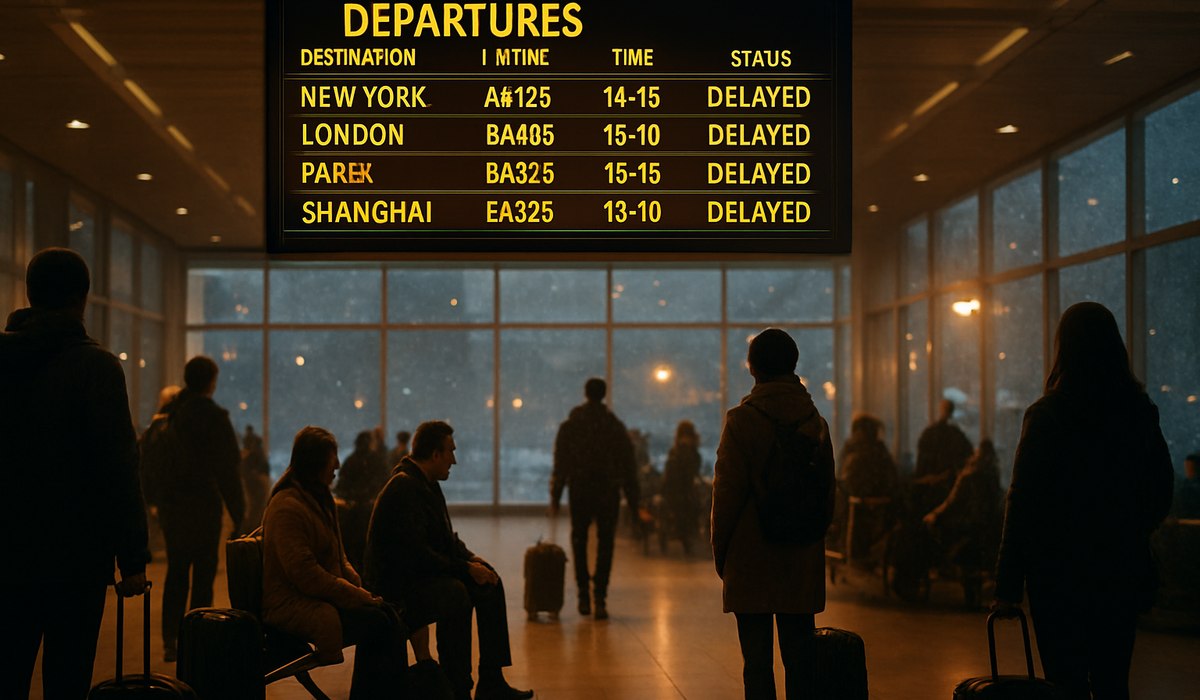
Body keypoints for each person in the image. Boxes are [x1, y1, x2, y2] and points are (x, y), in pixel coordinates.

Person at [994, 302, 1174, 699]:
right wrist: (1130, 530)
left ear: (1064, 349)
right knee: (1113, 682)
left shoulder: (1048, 415)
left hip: (1057, 576)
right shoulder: (1138, 412)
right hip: (1119, 571)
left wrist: (1008, 584)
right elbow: (1161, 488)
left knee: (1065, 684)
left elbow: (1022, 502)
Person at [2, 248, 150, 700]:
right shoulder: (96, 368)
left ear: (29, 294)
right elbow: (117, 467)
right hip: (76, 559)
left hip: (6, 553)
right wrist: (132, 559)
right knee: (67, 680)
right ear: (82, 298)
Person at [365, 420, 533, 700]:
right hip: (396, 589)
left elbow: (444, 540)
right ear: (435, 454)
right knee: (455, 594)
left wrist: (471, 559)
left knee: (489, 581)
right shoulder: (405, 488)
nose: (454, 460)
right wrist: (464, 568)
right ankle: (458, 685)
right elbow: (417, 554)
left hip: (416, 576)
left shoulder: (424, 483)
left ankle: (491, 681)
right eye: (451, 451)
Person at [711, 328, 835, 700]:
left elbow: (726, 494)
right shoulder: (816, 422)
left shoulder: (741, 421)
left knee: (757, 665)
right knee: (800, 662)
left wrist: (722, 553)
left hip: (751, 556)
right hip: (801, 555)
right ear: (793, 364)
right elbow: (828, 492)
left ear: (753, 367)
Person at [263, 426, 429, 699]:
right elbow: (306, 575)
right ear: (317, 462)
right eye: (333, 458)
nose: (338, 465)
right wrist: (356, 594)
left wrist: (358, 591)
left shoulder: (315, 499)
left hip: (316, 598)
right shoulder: (288, 507)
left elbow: (338, 559)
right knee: (381, 623)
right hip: (293, 604)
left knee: (386, 616)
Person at [157, 355, 246, 662]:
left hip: (174, 507)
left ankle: (170, 639)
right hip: (204, 505)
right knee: (204, 575)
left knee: (176, 572)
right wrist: (238, 513)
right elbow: (228, 470)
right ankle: (196, 638)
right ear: (211, 382)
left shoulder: (170, 414)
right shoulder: (215, 417)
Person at [550, 378, 640, 619]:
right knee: (605, 542)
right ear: (604, 394)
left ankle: (583, 595)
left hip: (580, 490)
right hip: (607, 492)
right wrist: (634, 502)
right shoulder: (614, 426)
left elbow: (561, 463)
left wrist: (556, 495)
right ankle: (600, 596)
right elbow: (628, 466)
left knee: (579, 540)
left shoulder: (571, 426)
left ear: (585, 393)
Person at [923, 438, 1002, 607]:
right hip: (987, 527)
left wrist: (934, 515)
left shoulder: (968, 475)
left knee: (937, 534)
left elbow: (951, 502)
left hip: (965, 526)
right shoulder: (992, 475)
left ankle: (943, 566)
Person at [835, 413, 898, 560]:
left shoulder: (853, 450)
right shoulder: (880, 450)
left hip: (857, 503)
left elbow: (845, 480)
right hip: (881, 503)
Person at [336, 430, 390, 572]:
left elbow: (341, 486)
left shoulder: (350, 461)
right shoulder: (376, 461)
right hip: (371, 510)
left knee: (353, 551)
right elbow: (384, 481)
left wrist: (352, 497)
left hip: (351, 513)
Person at [661, 420, 702, 555]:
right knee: (689, 508)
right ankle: (686, 537)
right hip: (680, 491)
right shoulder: (687, 453)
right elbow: (691, 471)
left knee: (688, 508)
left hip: (677, 491)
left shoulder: (677, 452)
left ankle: (684, 535)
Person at [239, 424, 271, 535]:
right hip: (258, 479)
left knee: (254, 508)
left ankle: (249, 529)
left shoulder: (248, 457)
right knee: (257, 508)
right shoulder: (258, 453)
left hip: (255, 480)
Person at [1174, 453, 1200, 519]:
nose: (1187, 469)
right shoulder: (1184, 484)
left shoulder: (1194, 485)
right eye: (1186, 466)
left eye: (1190, 466)